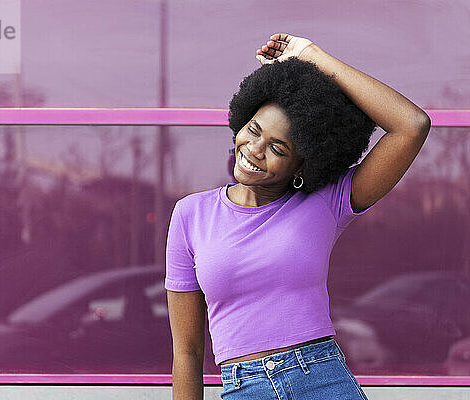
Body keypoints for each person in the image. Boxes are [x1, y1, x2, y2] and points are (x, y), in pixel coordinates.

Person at [165, 33, 431, 400]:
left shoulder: (326, 201)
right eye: (253, 131)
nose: (255, 150)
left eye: (277, 148)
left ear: (302, 164)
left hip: (322, 379)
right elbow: (188, 353)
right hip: (244, 387)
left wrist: (313, 56)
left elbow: (411, 124)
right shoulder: (190, 215)